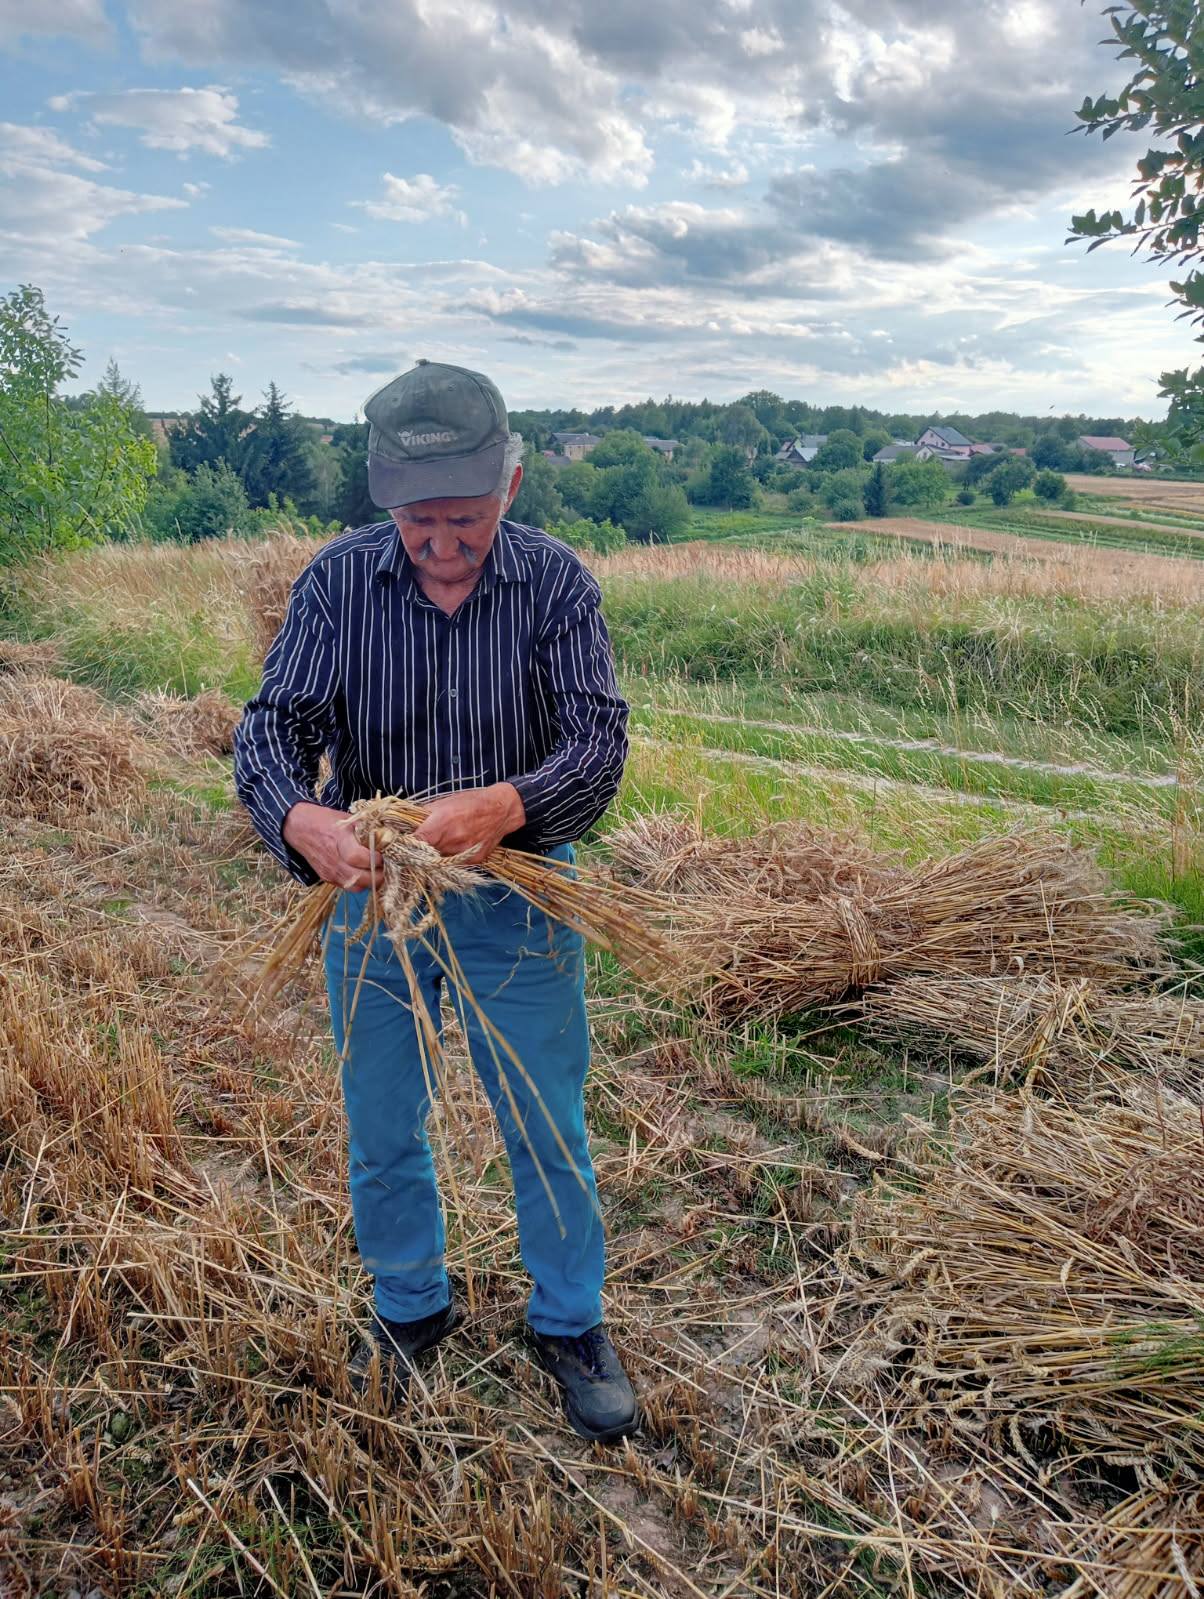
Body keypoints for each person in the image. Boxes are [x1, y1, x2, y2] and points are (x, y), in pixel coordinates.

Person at [233, 360, 638, 1442]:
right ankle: (410, 1302)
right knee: (382, 1118)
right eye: (419, 521)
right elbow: (270, 727)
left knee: (544, 1118)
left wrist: (508, 803)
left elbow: (598, 744)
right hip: (373, 899)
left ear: (511, 485)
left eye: (465, 517)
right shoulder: (336, 583)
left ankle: (570, 1322)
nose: (443, 544)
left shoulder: (556, 584)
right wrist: (300, 819)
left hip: (520, 893)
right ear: (385, 498)